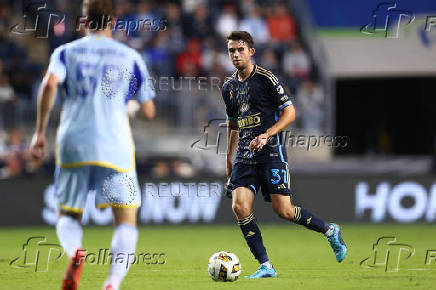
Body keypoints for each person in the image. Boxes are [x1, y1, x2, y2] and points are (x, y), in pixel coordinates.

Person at [29, 0, 156, 289]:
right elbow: (149, 110)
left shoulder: (65, 52)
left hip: (73, 141)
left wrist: (38, 134)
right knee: (125, 217)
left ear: (84, 22)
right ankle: (112, 282)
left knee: (68, 213)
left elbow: (49, 85)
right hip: (115, 145)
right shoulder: (130, 56)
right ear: (113, 22)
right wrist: (131, 107)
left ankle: (75, 252)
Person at [222, 31, 347, 279]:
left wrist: (268, 134)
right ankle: (266, 265)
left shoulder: (266, 79)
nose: (235, 54)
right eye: (231, 50)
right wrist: (229, 158)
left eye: (240, 49)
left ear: (251, 52)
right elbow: (233, 125)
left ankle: (330, 230)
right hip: (245, 158)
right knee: (240, 206)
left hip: (270, 153)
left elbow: (290, 112)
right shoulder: (228, 87)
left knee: (284, 210)